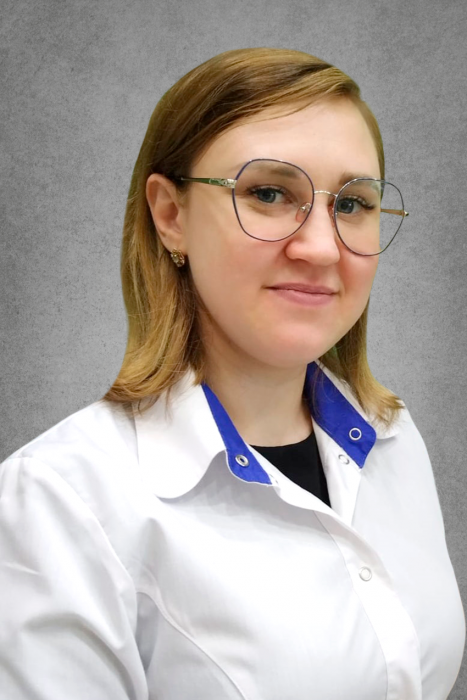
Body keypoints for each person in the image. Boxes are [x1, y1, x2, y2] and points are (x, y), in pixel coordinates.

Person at [0, 47, 464, 700]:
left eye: (353, 203)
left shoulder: (393, 440)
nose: (321, 247)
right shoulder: (61, 503)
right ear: (171, 216)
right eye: (269, 193)